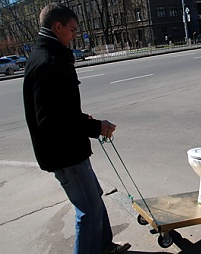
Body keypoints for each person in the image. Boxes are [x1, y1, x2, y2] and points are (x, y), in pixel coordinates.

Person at [23, 3, 130, 253]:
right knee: (88, 211)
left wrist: (82, 119)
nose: (75, 35)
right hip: (64, 153)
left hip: (69, 148)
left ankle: (104, 246)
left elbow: (60, 110)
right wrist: (94, 126)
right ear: (57, 27)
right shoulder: (48, 62)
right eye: (72, 30)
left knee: (95, 197)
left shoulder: (49, 55)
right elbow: (50, 121)